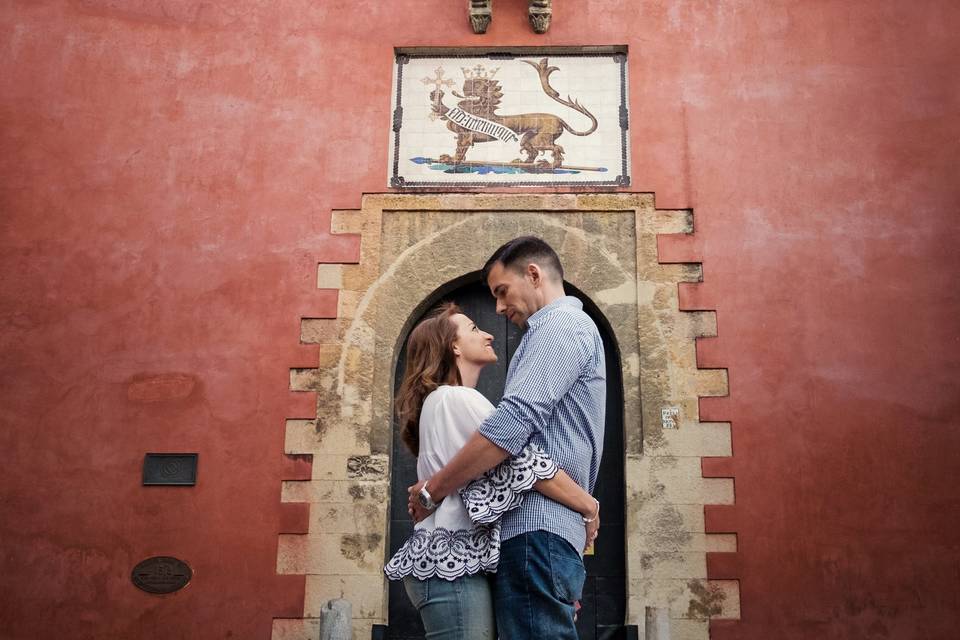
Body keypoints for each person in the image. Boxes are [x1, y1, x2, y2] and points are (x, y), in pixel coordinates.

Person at [408, 236, 606, 640]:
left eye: (502, 292)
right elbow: (513, 441)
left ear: (533, 275)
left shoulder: (559, 325)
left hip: (538, 530)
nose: (499, 309)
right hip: (541, 533)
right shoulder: (550, 333)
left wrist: (434, 488)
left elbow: (513, 426)